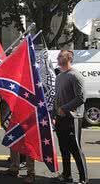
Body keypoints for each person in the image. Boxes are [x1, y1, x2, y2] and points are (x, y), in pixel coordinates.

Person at [53, 50, 88, 184]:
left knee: (75, 149)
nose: (58, 57)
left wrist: (64, 108)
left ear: (69, 59)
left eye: (61, 56)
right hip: (60, 118)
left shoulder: (75, 76)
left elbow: (81, 98)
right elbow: (56, 98)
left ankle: (83, 179)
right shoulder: (59, 76)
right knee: (63, 147)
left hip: (73, 118)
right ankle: (66, 175)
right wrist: (54, 114)